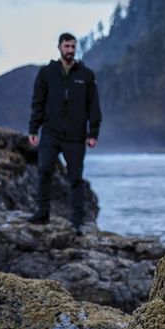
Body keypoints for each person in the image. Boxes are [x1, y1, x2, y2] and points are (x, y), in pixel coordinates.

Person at [28, 32, 102, 235]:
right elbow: (38, 102)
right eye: (67, 46)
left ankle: (76, 221)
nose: (70, 50)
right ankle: (42, 213)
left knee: (75, 178)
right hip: (51, 132)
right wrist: (34, 129)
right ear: (59, 47)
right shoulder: (47, 73)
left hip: (76, 136)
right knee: (44, 171)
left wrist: (93, 132)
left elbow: (93, 105)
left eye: (73, 47)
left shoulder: (86, 75)